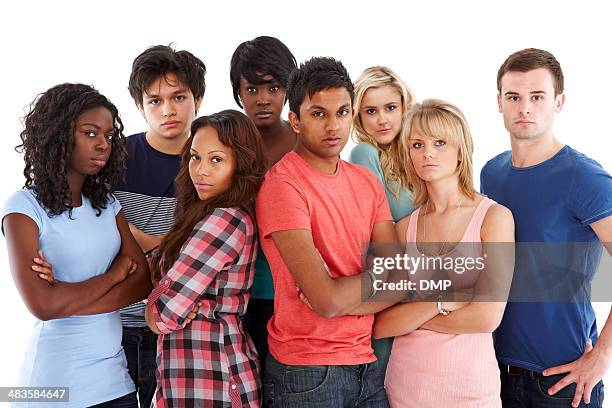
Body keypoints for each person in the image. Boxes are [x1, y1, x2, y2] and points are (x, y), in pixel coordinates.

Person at [256, 56, 400, 407]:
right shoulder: (283, 185)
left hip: (368, 364)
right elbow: (326, 300)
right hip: (307, 372)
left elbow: (401, 277)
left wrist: (341, 294)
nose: (333, 125)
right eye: (318, 114)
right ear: (295, 120)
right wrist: (367, 287)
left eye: (342, 112)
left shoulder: (366, 181)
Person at [1, 83, 152, 407]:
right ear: (58, 135)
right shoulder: (23, 208)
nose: (103, 145)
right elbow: (42, 306)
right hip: (52, 387)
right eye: (90, 133)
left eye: (108, 136)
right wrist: (113, 276)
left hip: (115, 382)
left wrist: (66, 298)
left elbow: (142, 281)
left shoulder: (107, 205)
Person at [481, 48, 612, 408]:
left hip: (562, 381)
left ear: (559, 102)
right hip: (493, 371)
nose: (525, 107)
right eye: (514, 97)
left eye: (537, 96)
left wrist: (602, 356)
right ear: (499, 102)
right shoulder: (490, 173)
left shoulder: (584, 178)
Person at [374, 99, 514, 407]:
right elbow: (382, 323)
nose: (428, 153)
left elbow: (486, 317)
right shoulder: (402, 229)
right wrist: (446, 299)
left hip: (470, 390)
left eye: (440, 142)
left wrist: (413, 314)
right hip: (404, 387)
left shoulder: (494, 218)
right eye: (417, 144)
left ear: (461, 151)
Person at [145, 110, 266, 407]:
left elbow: (163, 314)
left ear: (241, 164)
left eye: (216, 160)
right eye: (195, 157)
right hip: (198, 376)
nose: (200, 170)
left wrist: (155, 300)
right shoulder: (208, 214)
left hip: (214, 380)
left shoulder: (224, 220)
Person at [117, 44, 206, 407]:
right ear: (140, 106)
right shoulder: (115, 158)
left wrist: (136, 240)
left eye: (178, 97)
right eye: (154, 101)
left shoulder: (211, 164)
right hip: (112, 325)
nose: (168, 110)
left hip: (176, 324)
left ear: (197, 99)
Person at [230, 35, 297, 369]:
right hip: (234, 294)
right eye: (252, 90)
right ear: (238, 93)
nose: (263, 99)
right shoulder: (224, 146)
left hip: (296, 291)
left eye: (272, 88)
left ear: (288, 89)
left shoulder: (308, 144)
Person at [349, 65, 416, 376]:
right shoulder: (364, 153)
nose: (382, 119)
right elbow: (380, 231)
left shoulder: (418, 154)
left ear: (404, 107)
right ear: (359, 116)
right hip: (392, 285)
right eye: (370, 111)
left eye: (390, 108)